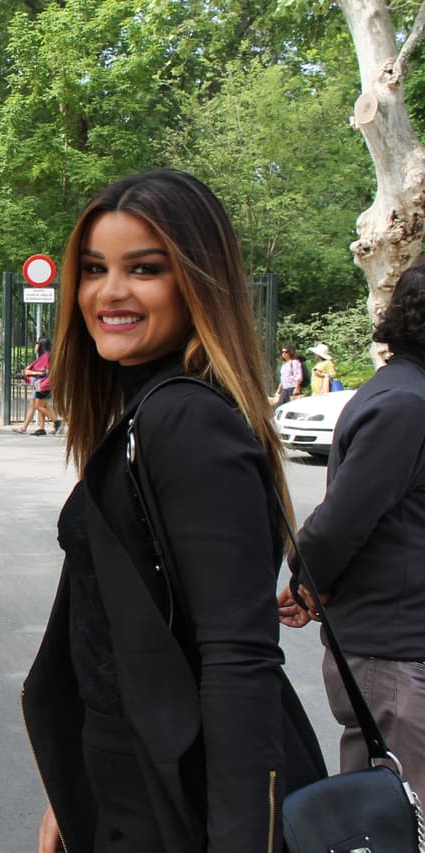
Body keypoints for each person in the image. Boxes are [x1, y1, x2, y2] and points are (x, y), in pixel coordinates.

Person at [23, 170, 324, 853]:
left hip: (181, 804)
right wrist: (73, 793)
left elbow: (238, 659)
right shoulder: (145, 410)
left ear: (198, 280)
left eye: (145, 269)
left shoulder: (187, 422)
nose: (110, 291)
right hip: (125, 786)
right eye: (95, 268)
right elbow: (113, 634)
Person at [278, 254, 425, 795]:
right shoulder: (406, 404)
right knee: (397, 825)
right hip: (395, 659)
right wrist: (306, 580)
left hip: (396, 652)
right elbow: (338, 525)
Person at [12, 337, 59, 435]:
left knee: (39, 405)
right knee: (38, 405)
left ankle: (57, 422)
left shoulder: (46, 357)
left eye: (37, 343)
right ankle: (40, 428)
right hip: (40, 384)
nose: (35, 346)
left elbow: (45, 372)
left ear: (41, 345)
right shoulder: (44, 356)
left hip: (42, 384)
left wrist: (31, 372)